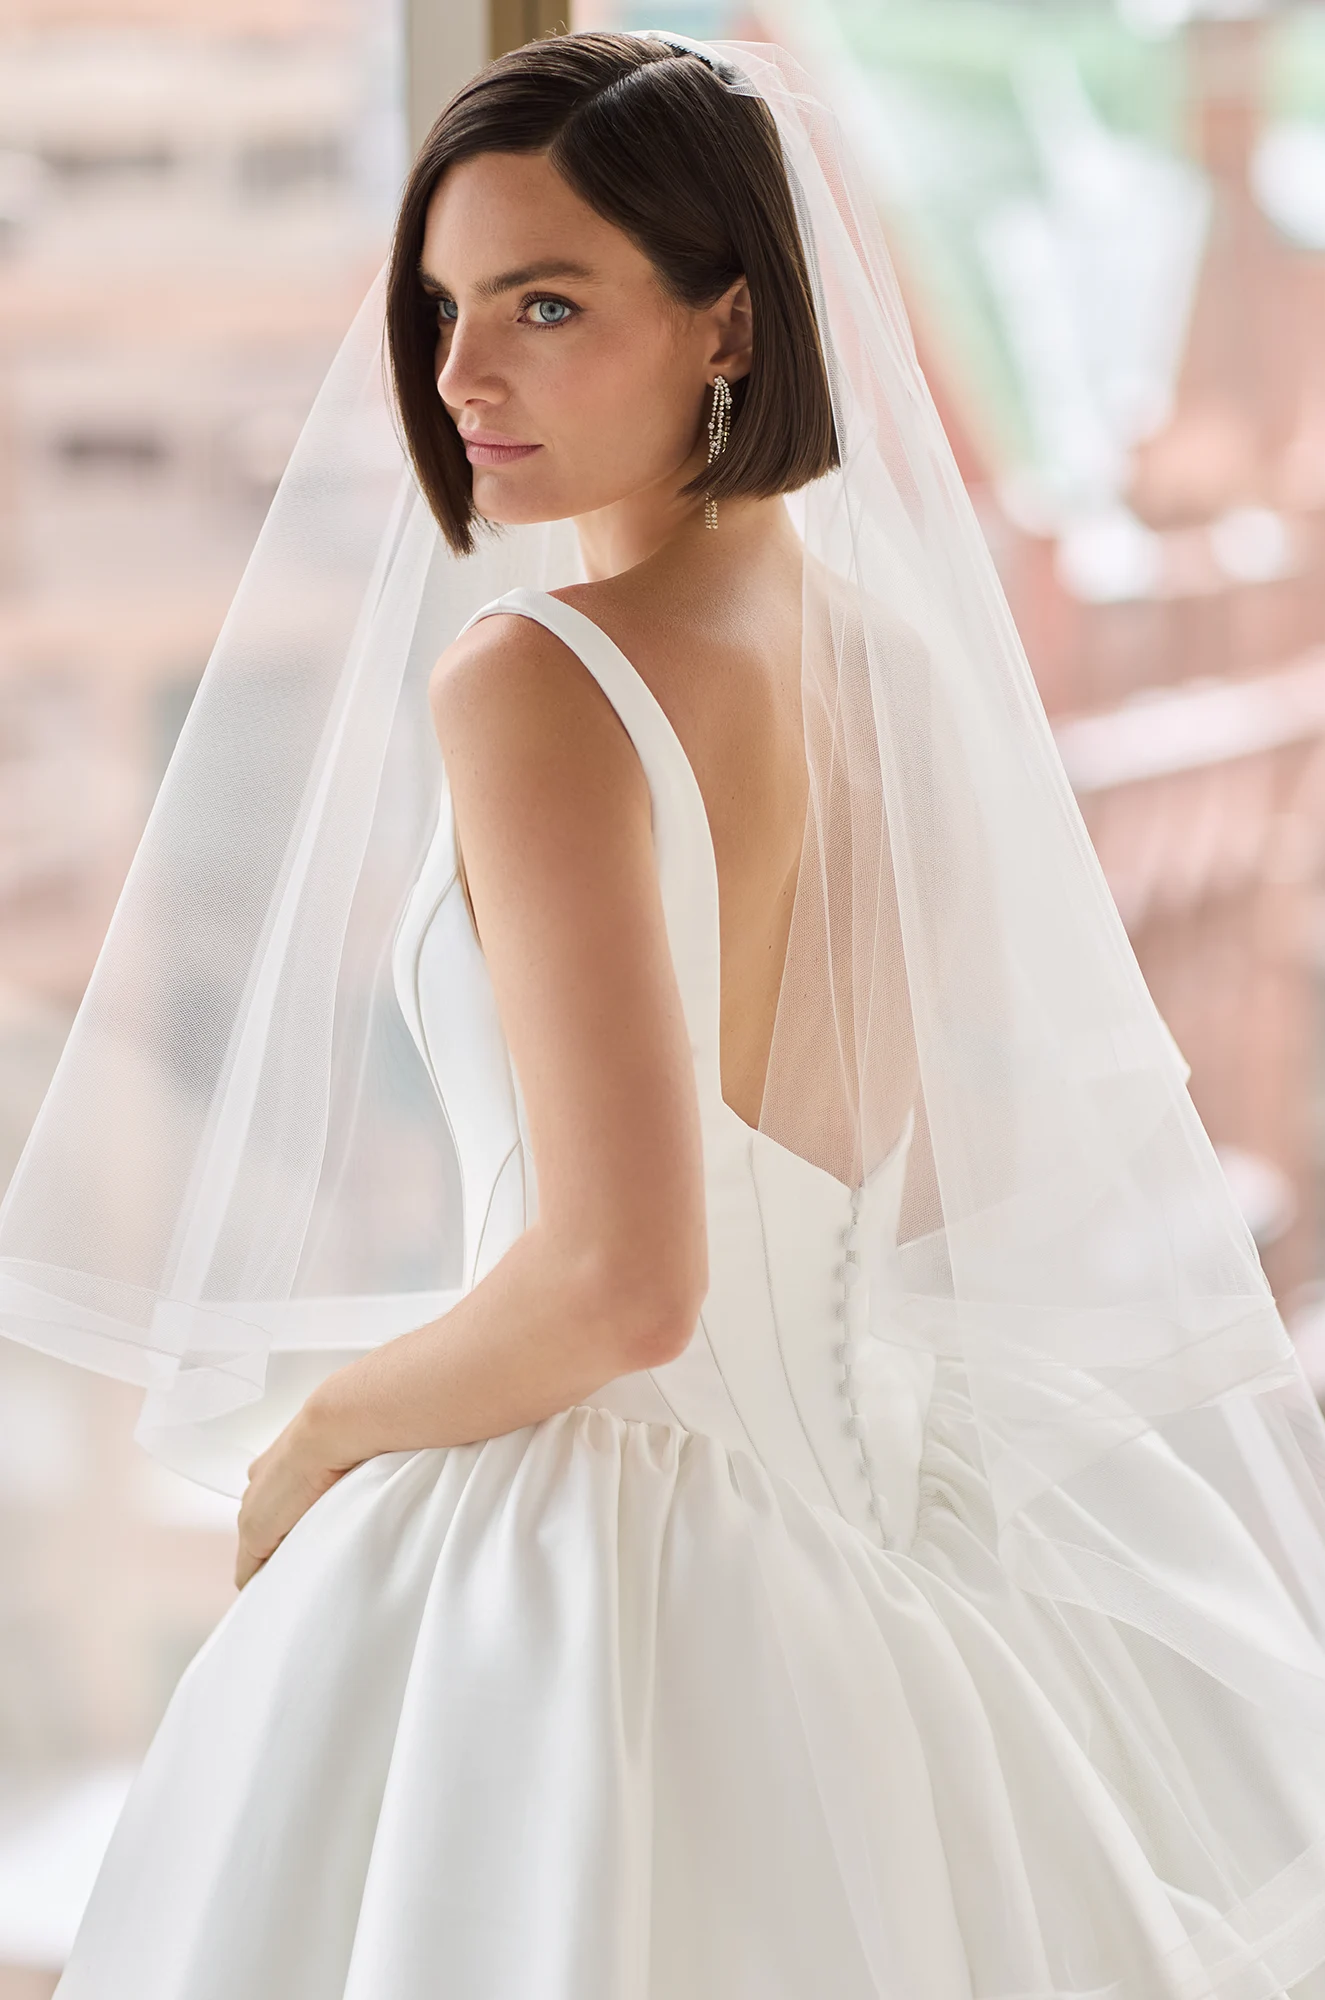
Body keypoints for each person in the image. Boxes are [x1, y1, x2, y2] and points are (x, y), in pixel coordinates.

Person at [6, 28, 1325, 1999]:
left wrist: (322, 1441)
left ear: (723, 324)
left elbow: (626, 1280)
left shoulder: (531, 678)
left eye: (546, 303)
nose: (462, 374)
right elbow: (889, 1168)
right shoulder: (880, 663)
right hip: (856, 1540)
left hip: (574, 1574)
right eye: (445, 305)